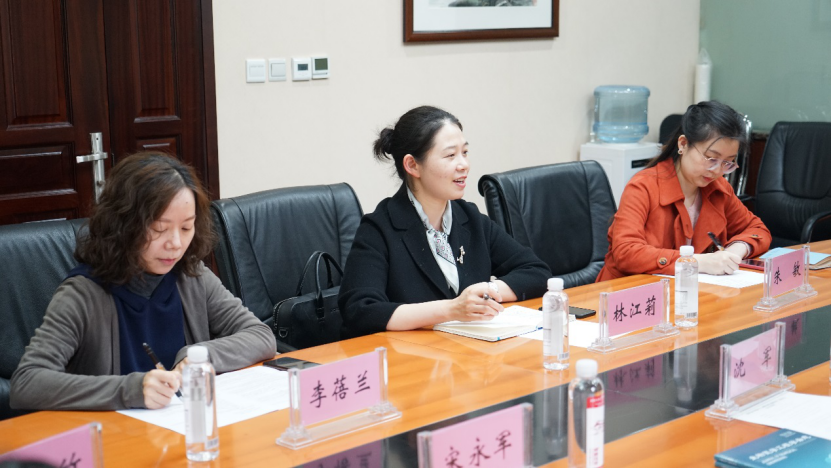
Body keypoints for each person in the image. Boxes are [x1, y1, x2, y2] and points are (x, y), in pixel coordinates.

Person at [11, 152, 276, 411]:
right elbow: (27, 383)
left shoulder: (191, 275)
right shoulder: (82, 294)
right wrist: (131, 390)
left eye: (186, 227)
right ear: (124, 225)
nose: (176, 243)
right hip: (114, 434)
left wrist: (200, 356)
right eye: (159, 229)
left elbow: (261, 336)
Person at [339, 106, 551, 339]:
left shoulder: (469, 217)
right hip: (414, 354)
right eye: (450, 156)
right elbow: (360, 310)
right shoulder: (379, 229)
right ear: (412, 165)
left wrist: (488, 292)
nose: (464, 165)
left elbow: (537, 272)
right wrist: (452, 309)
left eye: (465, 152)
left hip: (471, 349)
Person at [597, 101, 771, 281]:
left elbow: (758, 230)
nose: (717, 171)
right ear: (683, 144)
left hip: (685, 290)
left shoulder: (718, 188)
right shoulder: (643, 187)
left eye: (727, 162)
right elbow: (626, 252)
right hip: (631, 291)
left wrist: (736, 250)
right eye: (711, 158)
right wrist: (696, 262)